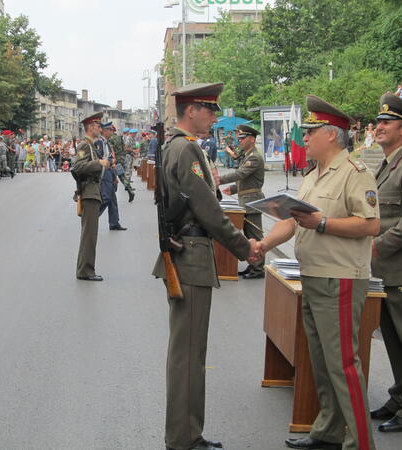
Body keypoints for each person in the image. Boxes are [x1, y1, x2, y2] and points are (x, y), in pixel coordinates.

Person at [256, 95, 379, 450]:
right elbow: (293, 224)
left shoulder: (356, 174)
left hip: (340, 278)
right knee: (322, 362)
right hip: (311, 275)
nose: (304, 139)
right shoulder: (313, 176)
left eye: (310, 133)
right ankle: (327, 430)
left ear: (331, 135)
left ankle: (360, 442)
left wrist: (322, 222)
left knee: (343, 364)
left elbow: (370, 225)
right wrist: (263, 245)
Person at [152, 83, 258, 450]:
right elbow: (208, 210)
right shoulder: (186, 148)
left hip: (188, 251)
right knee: (189, 355)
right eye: (209, 110)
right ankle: (184, 438)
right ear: (191, 110)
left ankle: (186, 433)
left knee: (189, 352)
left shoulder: (176, 146)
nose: (214, 117)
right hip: (191, 254)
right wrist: (245, 248)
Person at [369, 93, 402, 433]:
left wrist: (379, 246)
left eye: (386, 122)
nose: (379, 126)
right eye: (378, 121)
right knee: (392, 339)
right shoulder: (386, 165)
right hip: (386, 271)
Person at [219, 124, 266, 279]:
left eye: (242, 138)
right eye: (239, 138)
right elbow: (245, 180)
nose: (239, 141)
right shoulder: (247, 155)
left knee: (255, 236)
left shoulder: (254, 157)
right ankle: (253, 265)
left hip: (252, 202)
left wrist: (218, 180)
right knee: (248, 236)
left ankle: (258, 269)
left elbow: (240, 174)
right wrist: (232, 189)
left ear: (251, 139)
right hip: (246, 200)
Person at [72, 112, 110, 282]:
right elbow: (78, 167)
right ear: (90, 127)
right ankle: (86, 271)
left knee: (90, 234)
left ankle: (85, 269)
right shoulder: (84, 145)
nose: (100, 128)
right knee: (89, 234)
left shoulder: (91, 145)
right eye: (98, 125)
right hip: (89, 192)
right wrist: (99, 163)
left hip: (92, 191)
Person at [96, 121, 126, 231]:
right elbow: (99, 158)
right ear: (104, 131)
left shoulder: (106, 142)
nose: (112, 132)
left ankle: (114, 222)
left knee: (113, 199)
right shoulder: (99, 142)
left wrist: (114, 176)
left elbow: (109, 158)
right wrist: (110, 161)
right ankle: (92, 217)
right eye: (110, 130)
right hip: (104, 172)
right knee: (106, 197)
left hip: (109, 171)